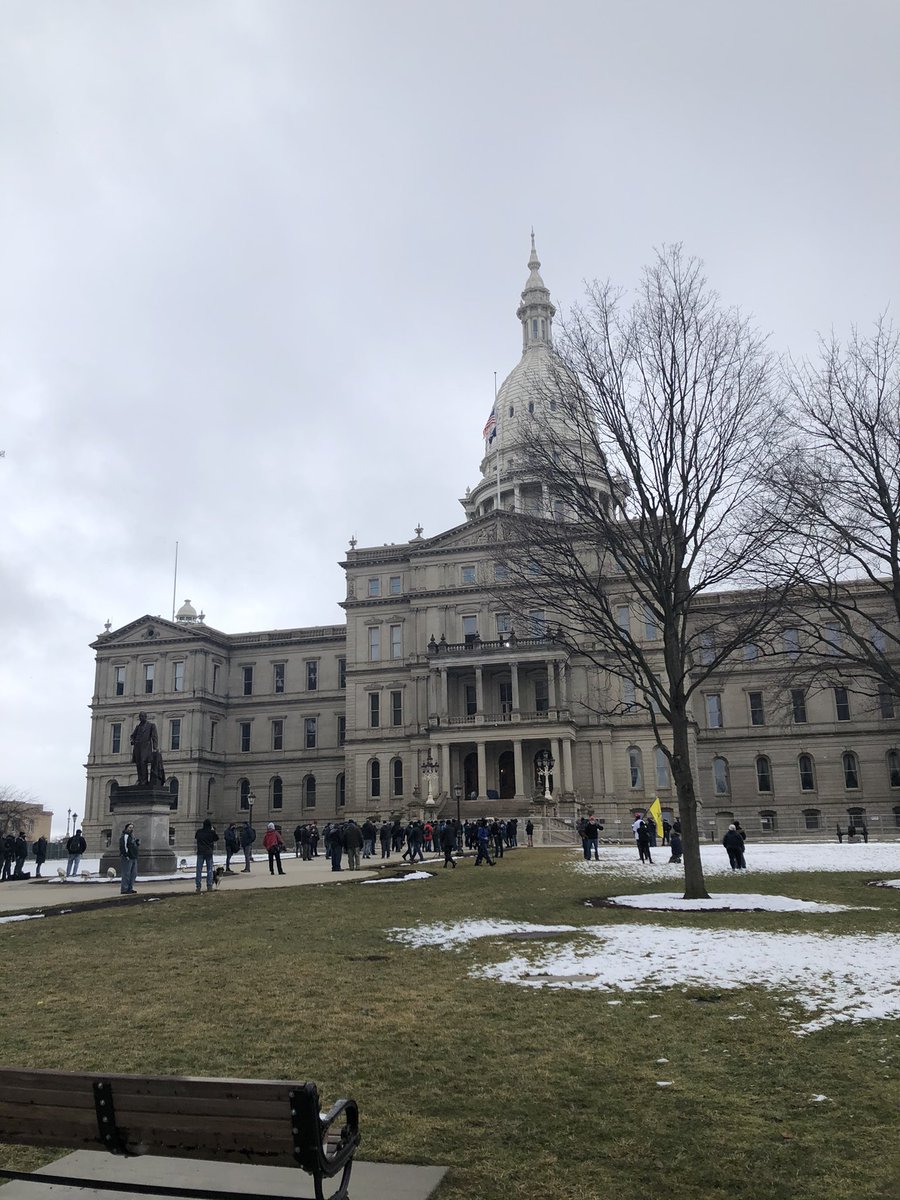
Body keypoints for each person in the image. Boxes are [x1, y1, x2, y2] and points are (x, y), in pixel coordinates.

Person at [129, 712, 159, 786]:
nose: (141, 718)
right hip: (137, 747)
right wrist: (133, 740)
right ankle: (140, 779)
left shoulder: (151, 726)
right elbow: (132, 736)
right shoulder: (138, 727)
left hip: (145, 747)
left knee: (143, 763)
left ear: (145, 717)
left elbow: (154, 737)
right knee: (138, 764)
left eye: (142, 716)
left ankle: (144, 781)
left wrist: (155, 747)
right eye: (140, 717)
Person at [194, 818, 219, 892]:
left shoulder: (199, 832)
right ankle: (209, 885)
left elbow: (196, 837)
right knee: (209, 870)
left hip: (200, 852)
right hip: (208, 852)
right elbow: (216, 838)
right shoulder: (211, 832)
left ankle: (198, 886)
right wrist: (213, 830)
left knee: (199, 870)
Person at [119, 822, 139, 894]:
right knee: (126, 873)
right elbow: (123, 846)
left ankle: (130, 888)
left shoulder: (132, 836)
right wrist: (126, 855)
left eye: (132, 827)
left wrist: (136, 843)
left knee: (133, 873)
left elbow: (132, 845)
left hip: (133, 857)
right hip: (127, 857)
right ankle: (124, 889)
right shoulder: (125, 836)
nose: (131, 829)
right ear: (126, 828)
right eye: (130, 827)